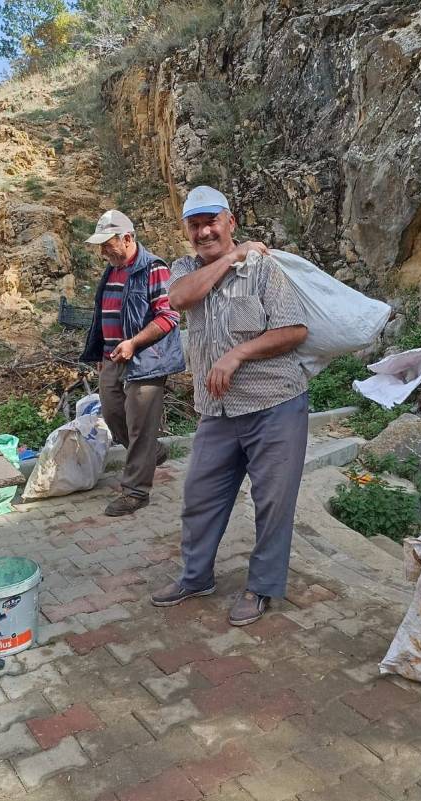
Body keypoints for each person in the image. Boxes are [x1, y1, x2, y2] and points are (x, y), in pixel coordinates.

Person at [149, 186, 309, 627]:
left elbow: (294, 330)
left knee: (273, 502)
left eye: (211, 222)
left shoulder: (263, 269)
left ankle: (261, 586)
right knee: (199, 496)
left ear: (230, 222)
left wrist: (237, 354)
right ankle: (195, 576)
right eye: (195, 225)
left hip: (275, 403)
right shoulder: (183, 269)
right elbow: (180, 300)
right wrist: (228, 259)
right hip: (217, 412)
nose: (203, 232)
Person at [79, 210, 184, 516]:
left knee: (139, 426)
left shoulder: (154, 268)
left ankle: (136, 492)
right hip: (113, 355)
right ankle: (153, 452)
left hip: (146, 358)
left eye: (107, 243)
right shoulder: (112, 269)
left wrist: (134, 343)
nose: (102, 252)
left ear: (127, 238)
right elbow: (105, 315)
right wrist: (102, 353)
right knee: (112, 414)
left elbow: (169, 316)